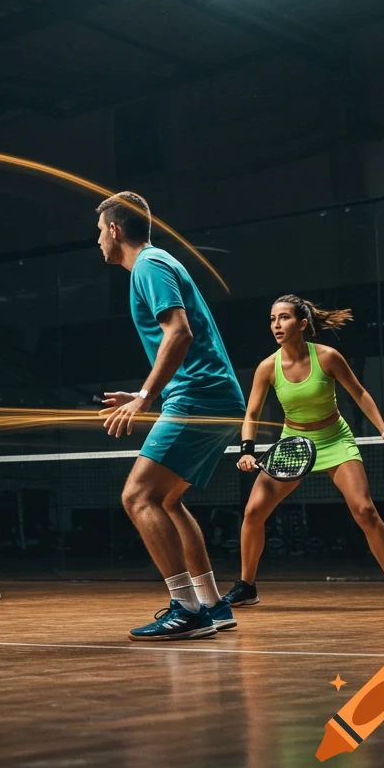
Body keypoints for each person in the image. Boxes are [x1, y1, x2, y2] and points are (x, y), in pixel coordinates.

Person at [98, 192, 245, 640]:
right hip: (213, 396)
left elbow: (179, 331)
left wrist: (145, 395)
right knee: (167, 500)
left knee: (137, 497)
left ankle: (185, 609)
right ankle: (213, 604)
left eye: (99, 231)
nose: (98, 241)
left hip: (199, 396)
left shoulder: (149, 265)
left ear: (115, 230)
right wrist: (148, 389)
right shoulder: (156, 263)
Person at [224, 295, 384, 609]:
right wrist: (247, 450)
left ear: (302, 324)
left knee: (365, 512)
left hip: (334, 440)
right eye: (273, 319)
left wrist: (383, 428)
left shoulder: (328, 357)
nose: (276, 325)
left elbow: (360, 394)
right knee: (254, 512)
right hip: (292, 444)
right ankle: (246, 586)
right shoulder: (267, 367)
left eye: (283, 318)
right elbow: (252, 412)